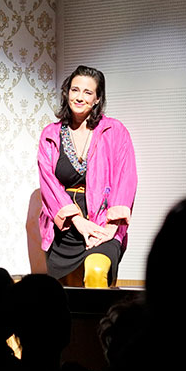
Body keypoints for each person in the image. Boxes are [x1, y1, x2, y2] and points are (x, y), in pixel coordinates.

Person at [36, 65, 138, 285]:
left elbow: (126, 179)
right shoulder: (50, 134)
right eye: (75, 90)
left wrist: (111, 227)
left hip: (102, 223)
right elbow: (48, 184)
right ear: (67, 93)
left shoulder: (115, 131)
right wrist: (77, 221)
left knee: (96, 270)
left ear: (97, 99)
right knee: (63, 293)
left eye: (87, 92)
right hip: (65, 226)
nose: (80, 97)